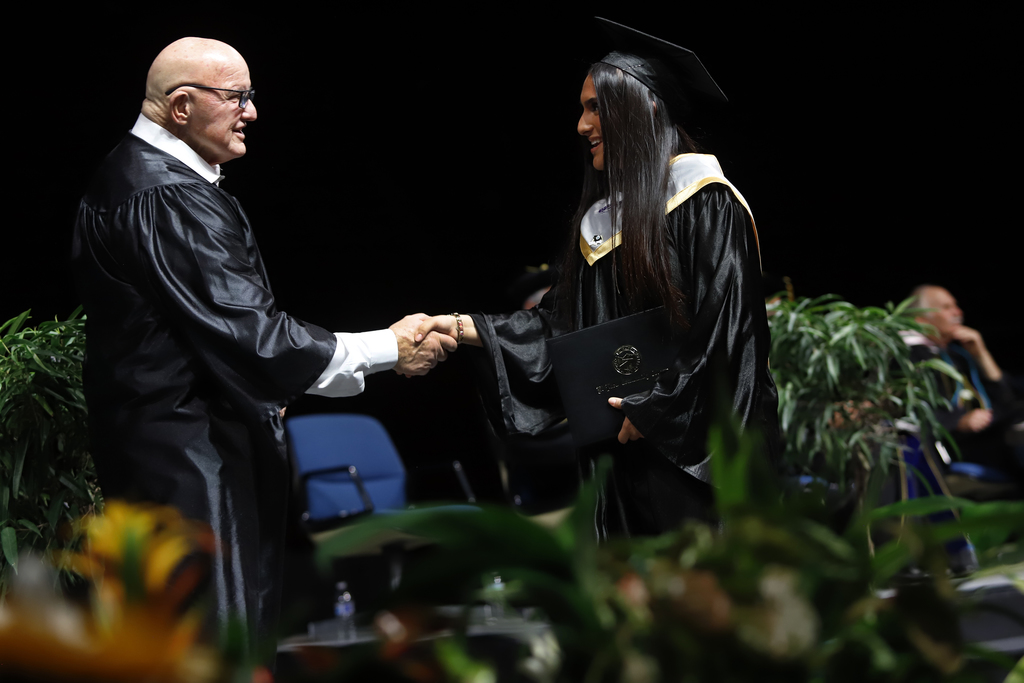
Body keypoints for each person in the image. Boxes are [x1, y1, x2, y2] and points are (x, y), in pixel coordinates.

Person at [70, 38, 454, 648]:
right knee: (214, 649)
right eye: (237, 97)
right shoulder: (164, 196)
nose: (252, 112)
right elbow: (255, 338)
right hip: (190, 465)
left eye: (252, 95)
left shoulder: (144, 179)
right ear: (181, 105)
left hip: (172, 454)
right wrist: (388, 348)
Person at [416, 19, 780, 537]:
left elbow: (726, 337)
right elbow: (560, 329)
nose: (582, 126)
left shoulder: (707, 204)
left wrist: (656, 411)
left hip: (699, 457)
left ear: (643, 107)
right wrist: (458, 327)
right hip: (624, 454)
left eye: (594, 107)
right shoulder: (604, 227)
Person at [906, 285, 1024, 481]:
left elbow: (1008, 399)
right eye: (946, 307)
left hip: (992, 432)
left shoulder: (958, 355)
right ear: (920, 318)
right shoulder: (911, 356)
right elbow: (913, 409)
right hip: (952, 444)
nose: (958, 312)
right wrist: (959, 421)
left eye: (956, 306)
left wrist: (982, 354)